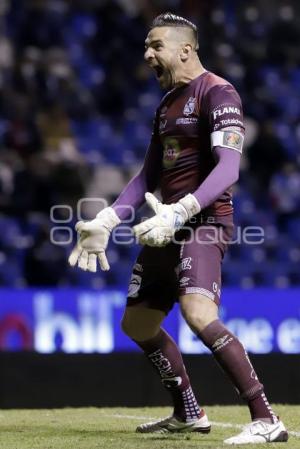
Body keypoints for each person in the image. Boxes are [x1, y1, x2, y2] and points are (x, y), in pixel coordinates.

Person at [68, 13, 288, 445]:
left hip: (202, 223)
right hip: (164, 226)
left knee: (198, 314)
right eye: (146, 48)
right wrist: (108, 220)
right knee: (138, 324)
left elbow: (228, 170)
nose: (147, 55)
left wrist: (181, 209)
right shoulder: (167, 103)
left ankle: (266, 418)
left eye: (155, 46)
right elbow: (148, 175)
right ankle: (189, 412)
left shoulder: (219, 92)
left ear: (185, 49)